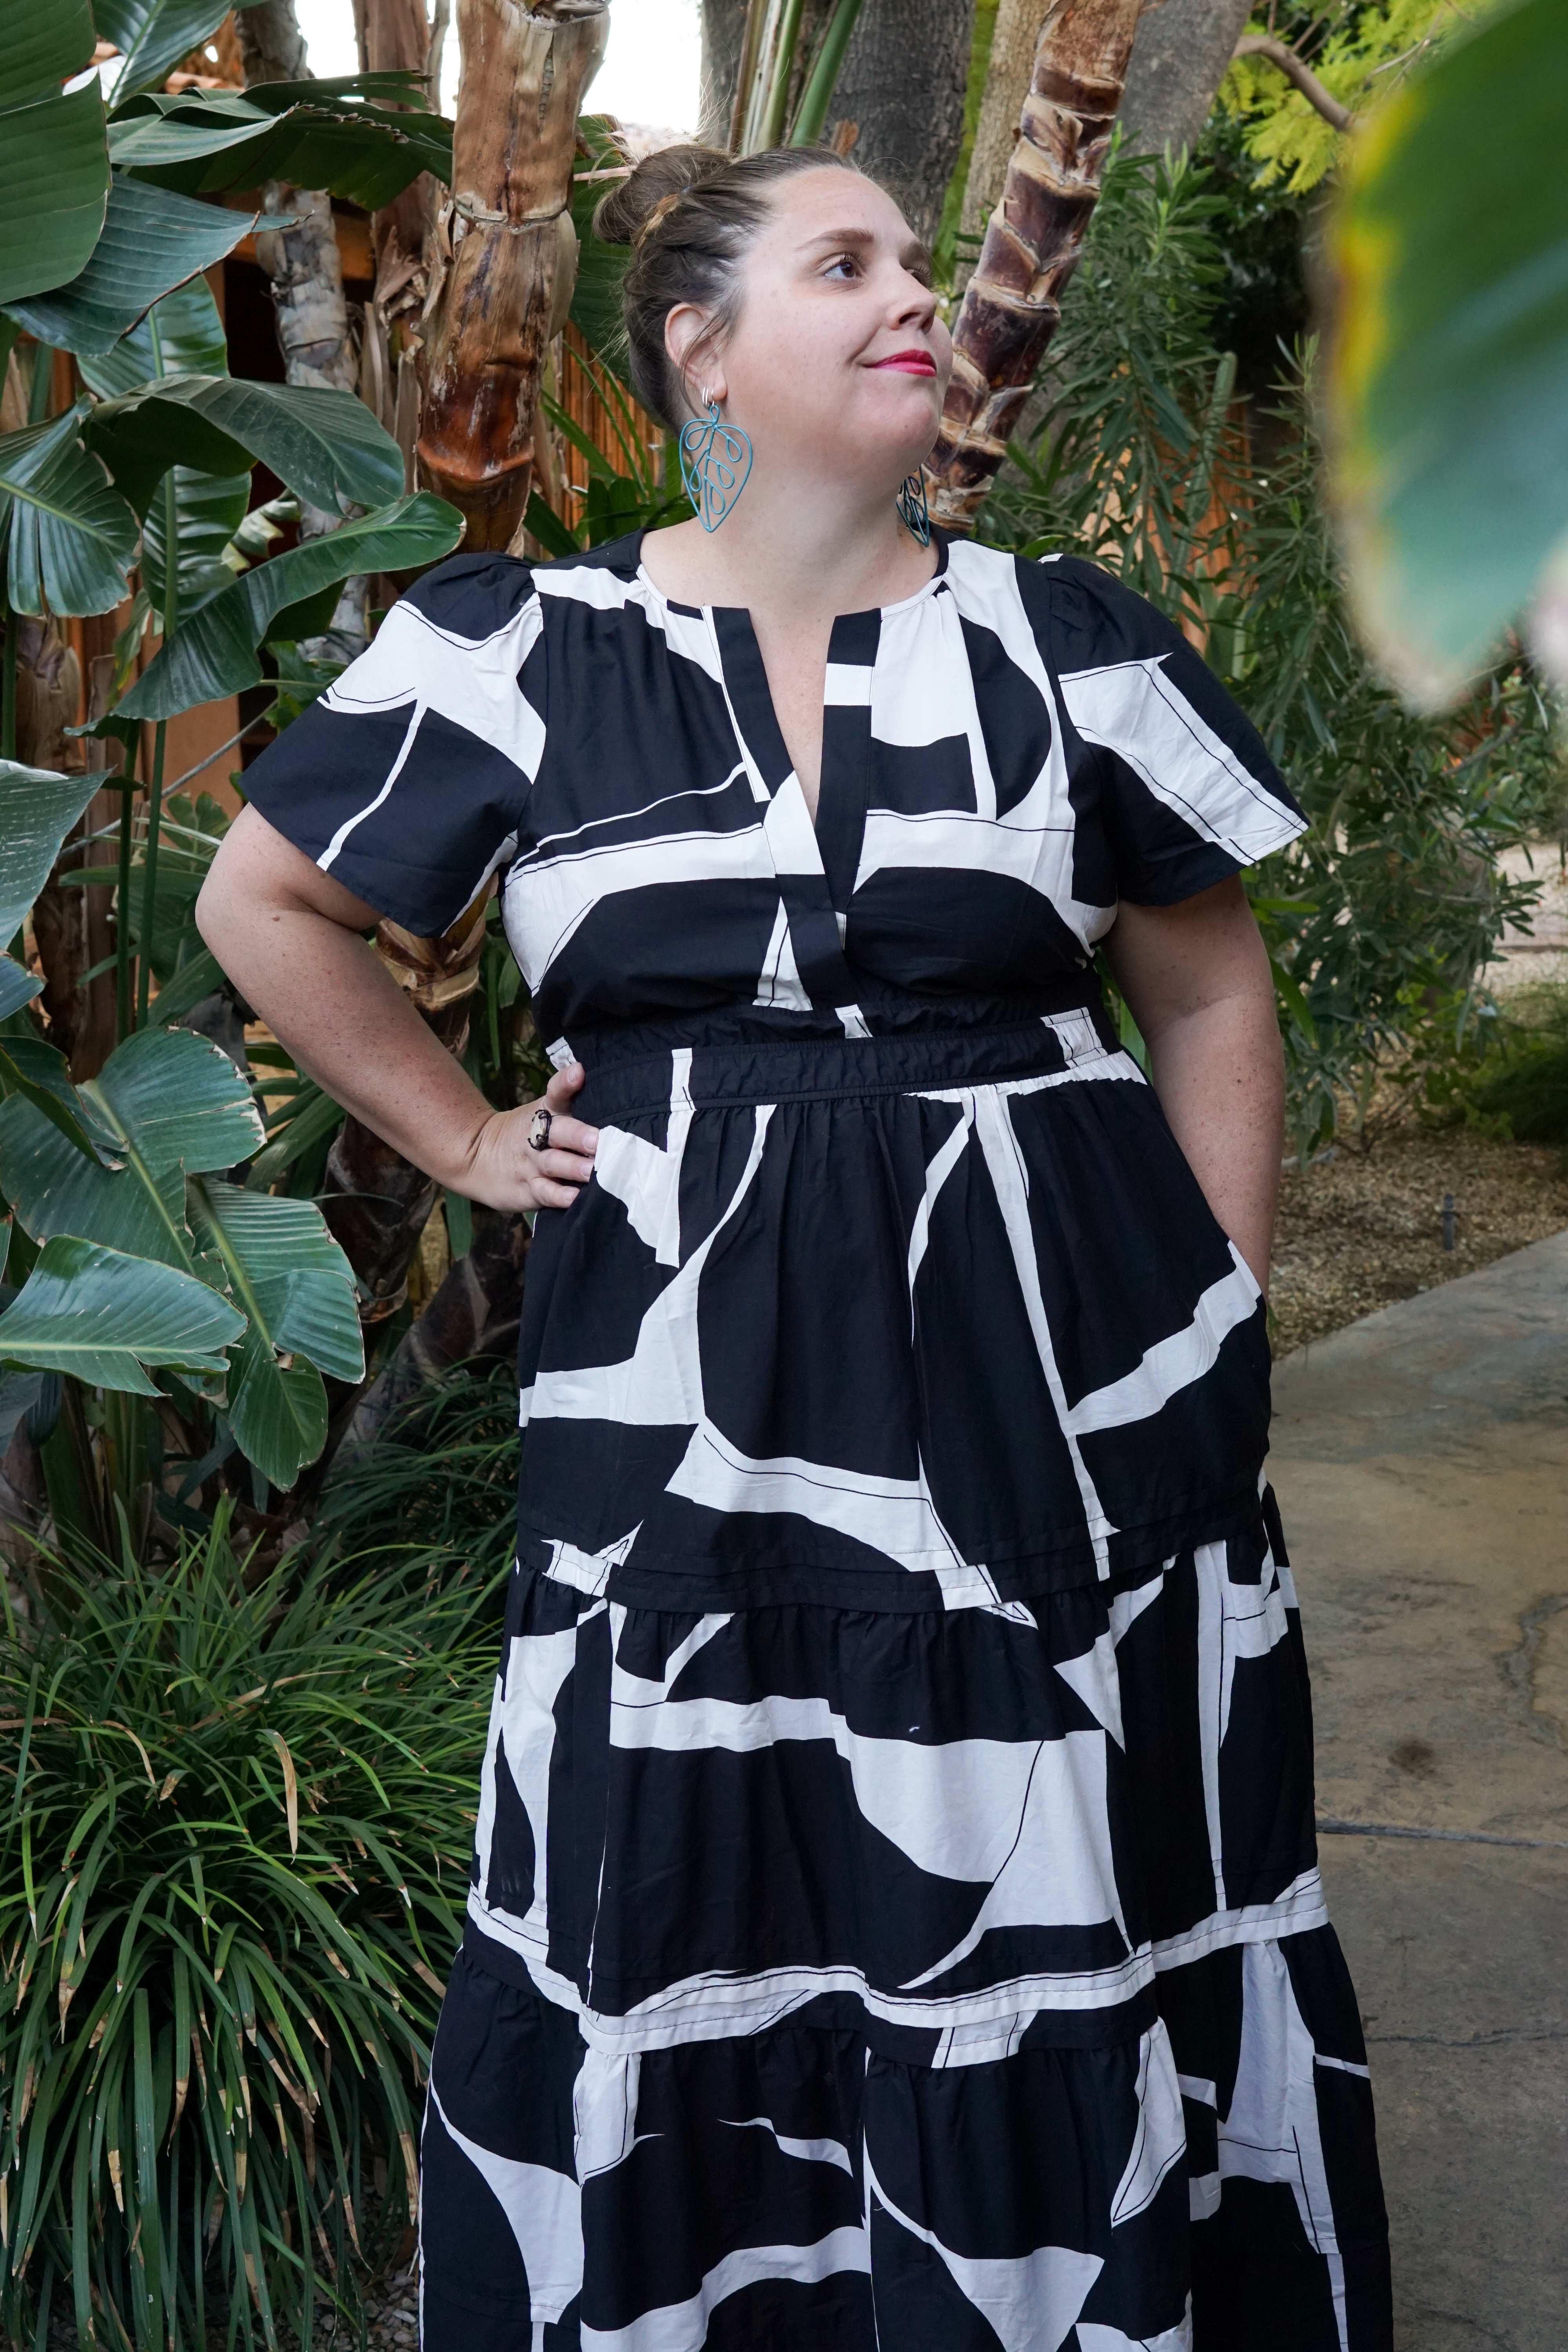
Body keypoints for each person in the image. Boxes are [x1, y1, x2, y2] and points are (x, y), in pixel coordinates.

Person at [198, 141, 1392, 2352]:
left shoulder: (1071, 644)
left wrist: (1212, 1312)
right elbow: (262, 904)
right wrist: (463, 1136)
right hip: (684, 1427)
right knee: (679, 1854)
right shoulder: (520, 649)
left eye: (917, 261)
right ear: (705, 353)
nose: (917, 292)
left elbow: (1212, 988)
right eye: (846, 264)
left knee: (1052, 1860)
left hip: (1060, 1405)